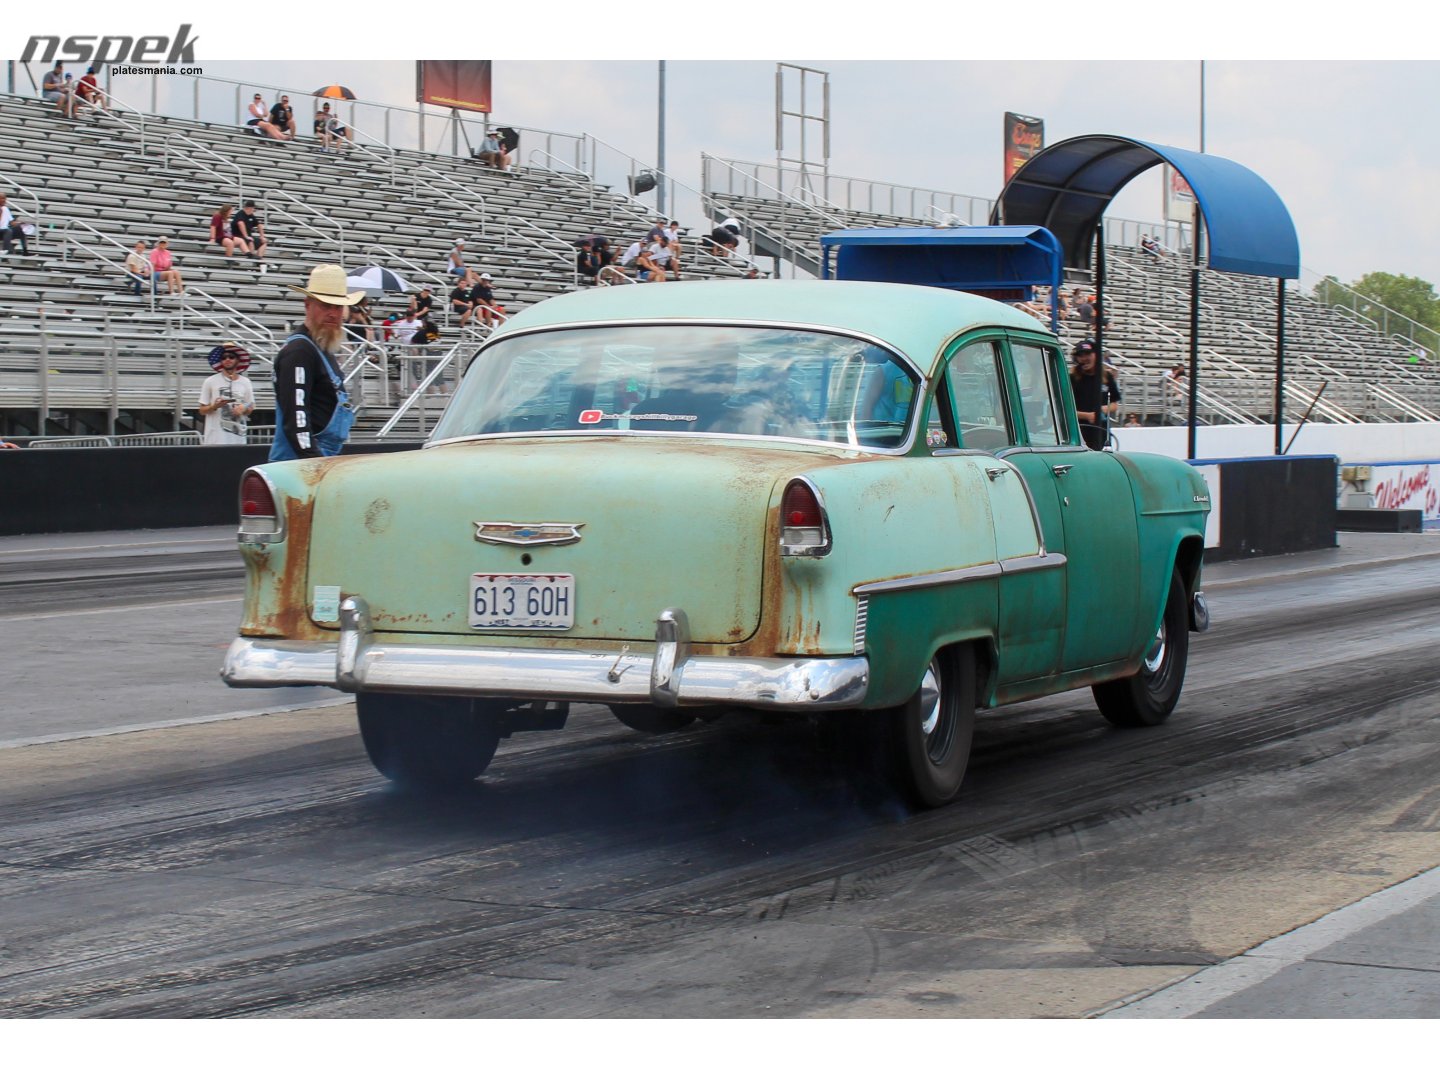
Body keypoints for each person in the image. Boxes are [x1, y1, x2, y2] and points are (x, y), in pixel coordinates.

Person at [269, 265, 363, 461]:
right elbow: (296, 419)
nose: (333, 314)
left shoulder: (319, 348)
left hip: (318, 458)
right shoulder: (300, 352)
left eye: (338, 307)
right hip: (298, 465)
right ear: (308, 305)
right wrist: (315, 463)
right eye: (325, 305)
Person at [197, 343, 256, 445]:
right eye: (224, 358)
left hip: (238, 439)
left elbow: (251, 406)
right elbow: (202, 410)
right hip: (215, 439)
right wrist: (215, 406)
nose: (227, 360)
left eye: (231, 357)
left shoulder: (245, 382)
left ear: (238, 360)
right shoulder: (210, 381)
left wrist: (243, 409)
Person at [1068, 340, 1122, 451]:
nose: (1084, 358)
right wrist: (1087, 416)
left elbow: (1114, 404)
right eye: (1080, 355)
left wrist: (1102, 409)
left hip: (1101, 431)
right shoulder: (1072, 378)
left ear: (1095, 355)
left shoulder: (1106, 376)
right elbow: (1064, 409)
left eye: (1087, 354)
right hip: (1078, 431)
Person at [230, 200, 267, 265]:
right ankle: (252, 258)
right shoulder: (240, 214)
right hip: (238, 236)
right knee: (250, 240)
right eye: (253, 208)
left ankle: (259, 259)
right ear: (250, 208)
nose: (254, 210)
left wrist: (262, 236)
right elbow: (240, 223)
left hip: (247, 236)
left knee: (264, 242)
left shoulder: (251, 215)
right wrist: (246, 236)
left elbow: (259, 225)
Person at [0, 193, 31, 257]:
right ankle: (5, 250)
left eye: (4, 198)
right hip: (3, 231)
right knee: (8, 231)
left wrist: (20, 224)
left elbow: (11, 223)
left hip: (5, 231)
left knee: (22, 229)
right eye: (2, 198)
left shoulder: (6, 209)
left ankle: (25, 251)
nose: (4, 200)